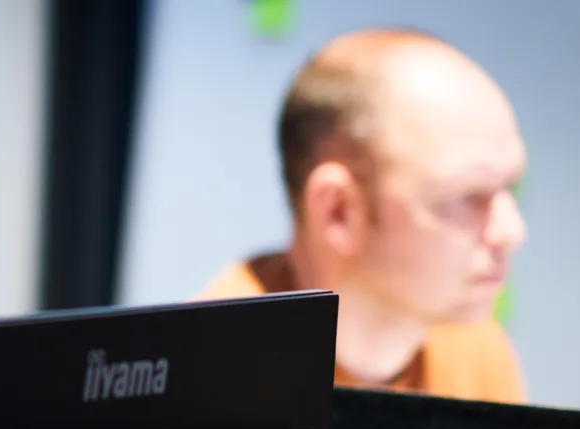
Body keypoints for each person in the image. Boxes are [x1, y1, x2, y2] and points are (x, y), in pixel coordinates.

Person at [197, 28, 530, 402]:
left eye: (510, 189)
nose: (512, 231)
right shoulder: (210, 375)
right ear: (338, 212)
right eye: (466, 195)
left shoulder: (476, 352)